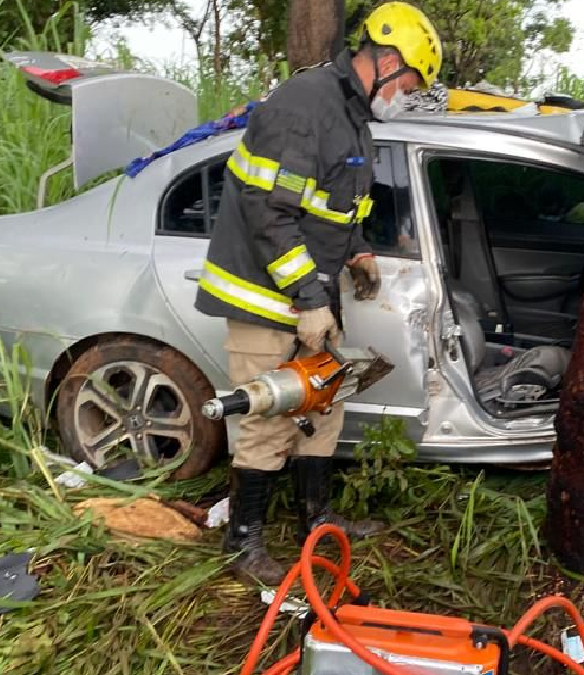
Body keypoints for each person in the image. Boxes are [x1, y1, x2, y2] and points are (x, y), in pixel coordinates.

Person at [193, 1, 443, 585]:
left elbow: (335, 204)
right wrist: (308, 298)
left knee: (325, 403)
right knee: (268, 418)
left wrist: (356, 249)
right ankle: (243, 541)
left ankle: (317, 519)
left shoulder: (352, 116)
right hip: (265, 298)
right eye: (410, 83)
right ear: (387, 62)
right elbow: (269, 214)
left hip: (312, 293)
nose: (407, 95)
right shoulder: (302, 107)